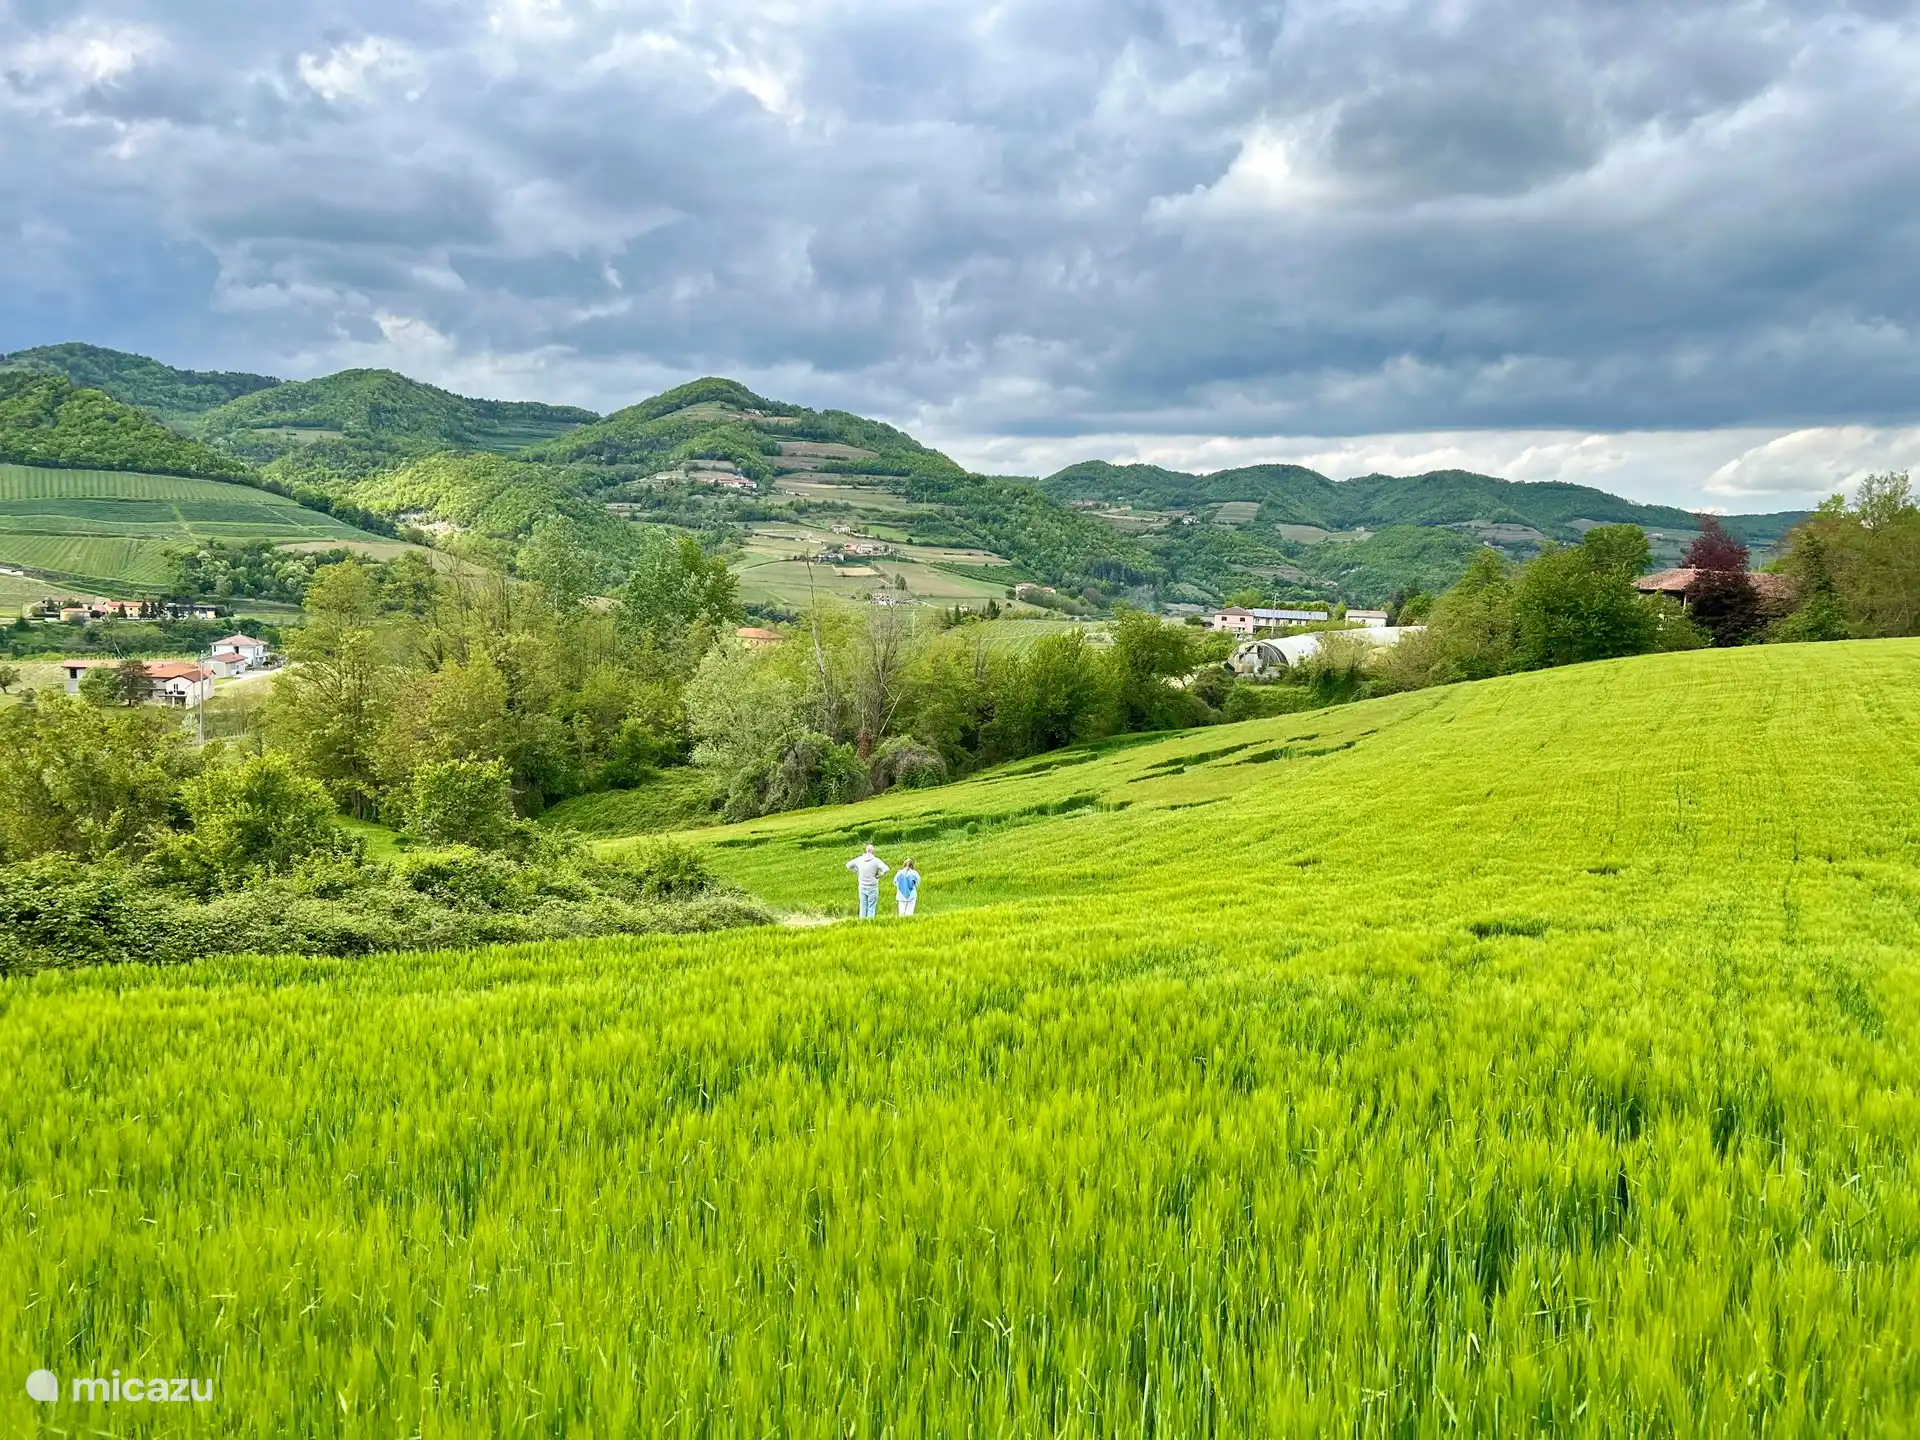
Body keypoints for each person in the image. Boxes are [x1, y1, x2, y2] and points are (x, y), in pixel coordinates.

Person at [845, 843, 889, 919]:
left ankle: (862, 922)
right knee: (871, 907)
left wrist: (856, 871)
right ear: (873, 851)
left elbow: (848, 865)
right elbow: (886, 869)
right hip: (872, 887)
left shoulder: (859, 859)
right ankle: (870, 922)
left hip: (862, 886)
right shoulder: (876, 860)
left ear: (866, 850)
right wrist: (879, 875)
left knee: (863, 906)